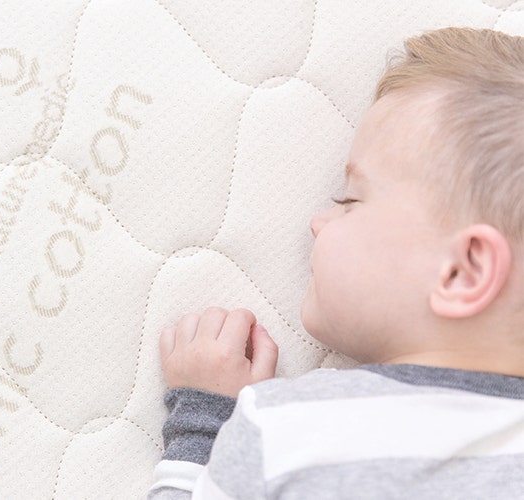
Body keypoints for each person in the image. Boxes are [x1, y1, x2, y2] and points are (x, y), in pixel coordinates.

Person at [149, 27, 524, 499]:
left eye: (349, 199)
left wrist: (205, 420)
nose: (318, 221)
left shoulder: (285, 426)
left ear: (462, 271)